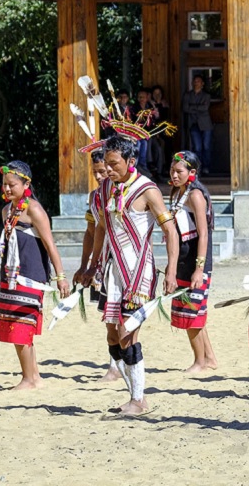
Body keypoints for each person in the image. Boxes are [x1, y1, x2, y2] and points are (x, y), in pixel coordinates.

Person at [85, 133, 180, 416]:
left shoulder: (147, 190)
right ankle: (132, 395)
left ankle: (139, 399)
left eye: (115, 164)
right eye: (107, 164)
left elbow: (170, 231)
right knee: (113, 336)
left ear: (131, 161)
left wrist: (171, 270)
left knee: (128, 333)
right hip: (113, 270)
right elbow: (100, 228)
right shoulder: (104, 191)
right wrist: (92, 264)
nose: (110, 170)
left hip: (139, 272)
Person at [0, 162, 70, 390]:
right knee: (13, 324)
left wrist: (61, 276)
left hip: (30, 275)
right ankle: (33, 376)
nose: (7, 189)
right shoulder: (7, 211)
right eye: (5, 185)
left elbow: (49, 244)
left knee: (21, 325)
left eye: (12, 185)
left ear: (26, 184)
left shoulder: (34, 209)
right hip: (10, 274)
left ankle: (29, 379)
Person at [167, 151, 218, 373]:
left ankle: (199, 361)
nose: (174, 175)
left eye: (179, 171)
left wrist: (199, 269)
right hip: (183, 260)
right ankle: (209, 358)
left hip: (196, 262)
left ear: (192, 173)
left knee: (192, 312)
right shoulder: (178, 193)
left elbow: (204, 234)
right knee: (192, 310)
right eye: (172, 170)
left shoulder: (195, 195)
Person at [73, 149, 121, 382]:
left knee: (121, 313)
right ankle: (115, 364)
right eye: (96, 172)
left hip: (122, 261)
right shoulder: (94, 197)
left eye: (103, 170)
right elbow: (91, 232)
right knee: (107, 314)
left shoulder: (123, 192)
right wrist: (84, 265)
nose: (100, 176)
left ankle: (121, 364)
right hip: (101, 263)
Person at [182, 75, 214, 174]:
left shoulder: (206, 95)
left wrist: (192, 107)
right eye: (195, 81)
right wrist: (198, 107)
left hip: (205, 124)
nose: (196, 83)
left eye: (198, 81)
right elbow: (185, 108)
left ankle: (206, 167)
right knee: (197, 147)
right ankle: (198, 167)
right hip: (193, 123)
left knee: (206, 146)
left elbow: (205, 108)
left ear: (202, 84)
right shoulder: (187, 95)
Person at [132, 89, 159, 176]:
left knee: (158, 147)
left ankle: (155, 170)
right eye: (140, 97)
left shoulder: (149, 107)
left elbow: (154, 120)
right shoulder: (134, 108)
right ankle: (142, 167)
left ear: (147, 98)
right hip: (137, 133)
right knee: (142, 144)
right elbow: (133, 122)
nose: (141, 99)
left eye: (143, 97)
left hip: (149, 133)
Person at [149, 85, 170, 176]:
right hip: (153, 130)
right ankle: (158, 168)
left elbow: (165, 117)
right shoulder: (150, 104)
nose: (157, 95)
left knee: (168, 143)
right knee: (158, 145)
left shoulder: (164, 104)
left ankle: (167, 167)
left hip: (163, 128)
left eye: (159, 93)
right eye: (155, 93)